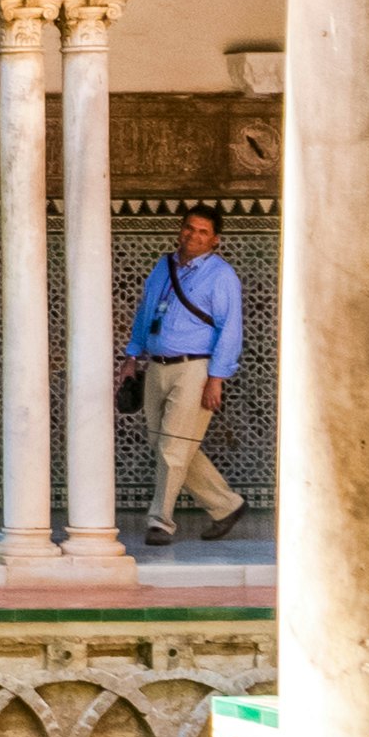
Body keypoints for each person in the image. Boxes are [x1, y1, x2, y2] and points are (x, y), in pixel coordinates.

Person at [124, 208, 246, 545]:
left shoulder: (221, 276)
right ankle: (226, 505)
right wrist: (131, 357)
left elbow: (230, 330)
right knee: (165, 444)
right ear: (181, 230)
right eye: (189, 228)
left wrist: (216, 379)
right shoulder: (163, 266)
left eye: (203, 232)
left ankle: (160, 522)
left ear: (215, 240)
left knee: (173, 449)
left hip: (196, 368)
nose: (193, 236)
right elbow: (145, 310)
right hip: (157, 365)